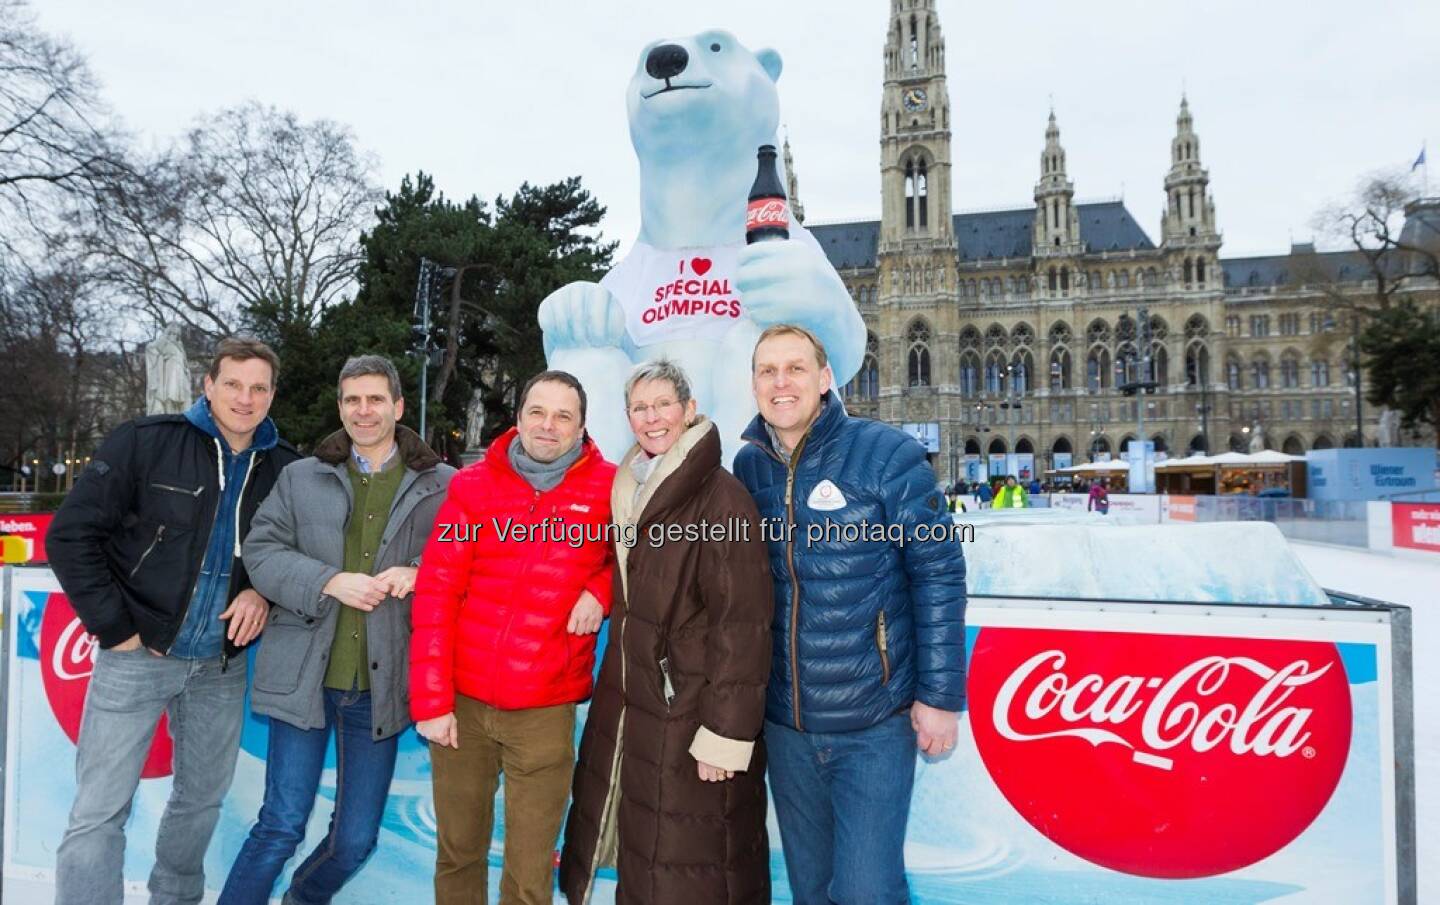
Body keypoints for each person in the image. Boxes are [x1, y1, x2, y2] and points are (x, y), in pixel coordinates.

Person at [47, 338, 300, 905]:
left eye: (259, 387)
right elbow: (70, 536)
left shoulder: (286, 468)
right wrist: (118, 631)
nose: (245, 397)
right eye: (233, 384)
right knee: (99, 810)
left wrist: (263, 591)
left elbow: (296, 557)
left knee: (200, 803)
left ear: (271, 395)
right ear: (207, 385)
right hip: (135, 657)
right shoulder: (146, 442)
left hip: (219, 667)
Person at [734, 325, 966, 905]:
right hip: (788, 723)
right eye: (768, 371)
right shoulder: (749, 466)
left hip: (873, 722)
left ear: (825, 378)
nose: (781, 383)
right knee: (811, 889)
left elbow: (937, 572)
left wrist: (940, 697)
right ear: (754, 384)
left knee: (866, 890)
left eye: (795, 368)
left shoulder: (887, 453)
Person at [218, 356, 455, 905]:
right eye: (352, 400)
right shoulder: (302, 476)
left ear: (398, 406)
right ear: (341, 407)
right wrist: (329, 581)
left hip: (381, 686)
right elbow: (261, 550)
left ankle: (302, 898)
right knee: (280, 824)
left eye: (375, 399)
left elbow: (470, 556)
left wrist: (421, 572)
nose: (363, 411)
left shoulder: (444, 485)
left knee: (354, 841)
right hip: (303, 675)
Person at [560, 360, 773, 904]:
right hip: (640, 710)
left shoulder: (721, 498)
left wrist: (726, 737)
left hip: (693, 717)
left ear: (689, 409)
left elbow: (742, 624)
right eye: (639, 407)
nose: (651, 418)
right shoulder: (631, 489)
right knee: (647, 860)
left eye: (663, 405)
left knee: (692, 868)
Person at [410, 370, 616, 905]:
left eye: (563, 415)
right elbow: (436, 591)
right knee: (459, 854)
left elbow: (646, 558)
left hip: (545, 708)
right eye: (537, 412)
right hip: (462, 704)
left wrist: (602, 587)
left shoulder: (610, 488)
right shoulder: (472, 486)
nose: (548, 426)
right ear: (519, 417)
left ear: (582, 426)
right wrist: (432, 700)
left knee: (529, 872)